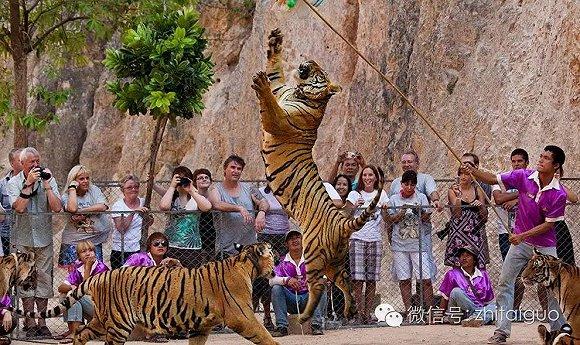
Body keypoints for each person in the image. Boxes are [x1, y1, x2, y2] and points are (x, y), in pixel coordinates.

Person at [462, 145, 567, 344]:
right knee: (505, 282)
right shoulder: (524, 176)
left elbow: (549, 225)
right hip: (521, 244)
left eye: (546, 158)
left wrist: (522, 235)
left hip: (544, 245)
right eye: (541, 156)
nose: (541, 160)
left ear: (556, 165)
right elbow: (494, 179)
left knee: (552, 288)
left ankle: (558, 330)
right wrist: (473, 171)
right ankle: (502, 331)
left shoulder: (559, 193)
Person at [7, 147, 61, 338]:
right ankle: (29, 322)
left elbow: (56, 207)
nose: (36, 165)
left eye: (38, 161)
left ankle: (42, 322)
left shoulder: (49, 179)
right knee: (26, 281)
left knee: (44, 279)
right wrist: (28, 184)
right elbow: (19, 208)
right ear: (22, 164)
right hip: (23, 239)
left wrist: (46, 185)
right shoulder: (13, 183)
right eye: (32, 162)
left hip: (44, 239)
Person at [388, 150, 440, 287]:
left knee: (423, 271)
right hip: (401, 236)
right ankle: (411, 306)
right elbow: (389, 209)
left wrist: (436, 201)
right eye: (404, 162)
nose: (407, 164)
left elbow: (432, 191)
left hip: (421, 233)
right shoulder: (395, 183)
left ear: (417, 163)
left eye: (410, 161)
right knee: (404, 274)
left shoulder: (425, 178)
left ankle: (422, 304)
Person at [345, 165, 389, 324]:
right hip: (357, 237)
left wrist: (385, 209)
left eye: (371, 175)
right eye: (365, 175)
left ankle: (367, 312)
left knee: (372, 279)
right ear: (361, 177)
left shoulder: (381, 194)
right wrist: (355, 205)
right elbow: (346, 215)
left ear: (376, 177)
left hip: (375, 238)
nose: (368, 178)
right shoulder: (354, 193)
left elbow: (386, 219)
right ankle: (358, 311)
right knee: (357, 279)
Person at [386, 170, 433, 316]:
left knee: (425, 278)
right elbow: (390, 220)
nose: (409, 187)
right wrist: (401, 213)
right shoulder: (394, 199)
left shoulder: (421, 197)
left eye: (412, 184)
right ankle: (409, 311)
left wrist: (418, 211)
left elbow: (427, 217)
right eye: (406, 184)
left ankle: (430, 311)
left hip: (419, 245)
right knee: (404, 279)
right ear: (401, 184)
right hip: (400, 245)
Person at [208, 155, 269, 257]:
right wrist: (239, 208)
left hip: (249, 248)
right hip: (226, 250)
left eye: (239, 169)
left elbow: (264, 202)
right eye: (232, 167)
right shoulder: (215, 189)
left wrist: (261, 213)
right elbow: (216, 203)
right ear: (225, 169)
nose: (236, 171)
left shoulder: (249, 188)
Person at [269, 229, 326, 337]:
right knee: (276, 288)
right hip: (290, 300)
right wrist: (287, 280)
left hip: (308, 300)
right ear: (286, 244)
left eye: (297, 237)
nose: (294, 240)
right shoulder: (281, 261)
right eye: (291, 239)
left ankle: (316, 325)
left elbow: (324, 276)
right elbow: (271, 280)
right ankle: (282, 327)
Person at [59, 165, 111, 271]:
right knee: (75, 274)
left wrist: (82, 211)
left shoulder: (94, 190)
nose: (85, 181)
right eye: (81, 179)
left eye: (87, 178)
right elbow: (72, 208)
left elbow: (103, 206)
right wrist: (72, 188)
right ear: (73, 180)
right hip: (74, 241)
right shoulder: (66, 196)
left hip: (93, 241)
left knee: (96, 272)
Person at [55, 240, 109, 341]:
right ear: (79, 256)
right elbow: (61, 287)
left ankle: (75, 333)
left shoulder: (101, 268)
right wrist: (72, 287)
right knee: (64, 295)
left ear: (95, 252)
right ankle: (73, 330)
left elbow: (86, 289)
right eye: (84, 251)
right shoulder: (78, 269)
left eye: (91, 250)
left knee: (74, 295)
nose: (88, 253)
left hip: (102, 310)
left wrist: (88, 267)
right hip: (89, 307)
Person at [160, 166, 211, 268]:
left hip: (192, 247)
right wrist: (172, 186)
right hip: (171, 245)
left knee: (190, 279)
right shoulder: (172, 198)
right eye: (179, 178)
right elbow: (164, 206)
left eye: (185, 178)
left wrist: (191, 190)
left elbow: (207, 207)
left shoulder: (195, 198)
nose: (182, 181)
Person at [255, 185, 291, 331]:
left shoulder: (286, 191)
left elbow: (290, 211)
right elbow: (258, 203)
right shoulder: (260, 191)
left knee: (281, 275)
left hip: (283, 237)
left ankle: (282, 317)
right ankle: (267, 315)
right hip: (266, 236)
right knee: (265, 278)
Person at [439, 245, 495, 327]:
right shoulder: (452, 274)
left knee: (498, 304)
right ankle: (481, 317)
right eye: (462, 256)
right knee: (456, 292)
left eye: (468, 256)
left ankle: (474, 318)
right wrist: (438, 316)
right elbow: (445, 298)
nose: (464, 258)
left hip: (478, 308)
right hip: (458, 315)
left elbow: (489, 301)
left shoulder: (483, 275)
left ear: (474, 260)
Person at [445, 167, 489, 268]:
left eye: (467, 174)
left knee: (476, 263)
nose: (463, 176)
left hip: (474, 231)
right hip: (459, 231)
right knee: (458, 263)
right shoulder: (452, 190)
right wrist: (459, 197)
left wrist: (481, 206)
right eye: (461, 174)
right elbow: (456, 214)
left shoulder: (478, 189)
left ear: (472, 176)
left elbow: (484, 216)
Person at [110, 175, 149, 269]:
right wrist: (133, 213)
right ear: (123, 190)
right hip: (121, 249)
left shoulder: (143, 202)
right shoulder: (118, 206)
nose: (133, 189)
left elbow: (149, 223)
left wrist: (147, 215)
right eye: (129, 187)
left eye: (136, 187)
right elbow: (121, 229)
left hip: (138, 247)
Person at [0, 148, 22, 255]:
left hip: (25, 232)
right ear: (12, 163)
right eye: (20, 159)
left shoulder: (32, 182)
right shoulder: (2, 184)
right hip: (6, 233)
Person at [192, 168, 216, 262]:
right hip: (197, 234)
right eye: (200, 178)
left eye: (207, 177)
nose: (204, 179)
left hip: (213, 233)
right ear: (195, 182)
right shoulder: (192, 196)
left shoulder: (214, 196)